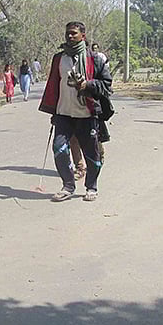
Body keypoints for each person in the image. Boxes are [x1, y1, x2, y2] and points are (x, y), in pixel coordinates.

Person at [39, 21, 112, 203]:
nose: (70, 36)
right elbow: (53, 85)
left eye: (73, 33)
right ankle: (68, 185)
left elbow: (106, 85)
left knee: (92, 155)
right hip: (64, 113)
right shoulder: (59, 59)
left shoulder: (95, 59)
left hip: (86, 114)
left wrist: (87, 84)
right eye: (67, 34)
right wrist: (53, 111)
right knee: (59, 149)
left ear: (83, 36)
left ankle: (91, 187)